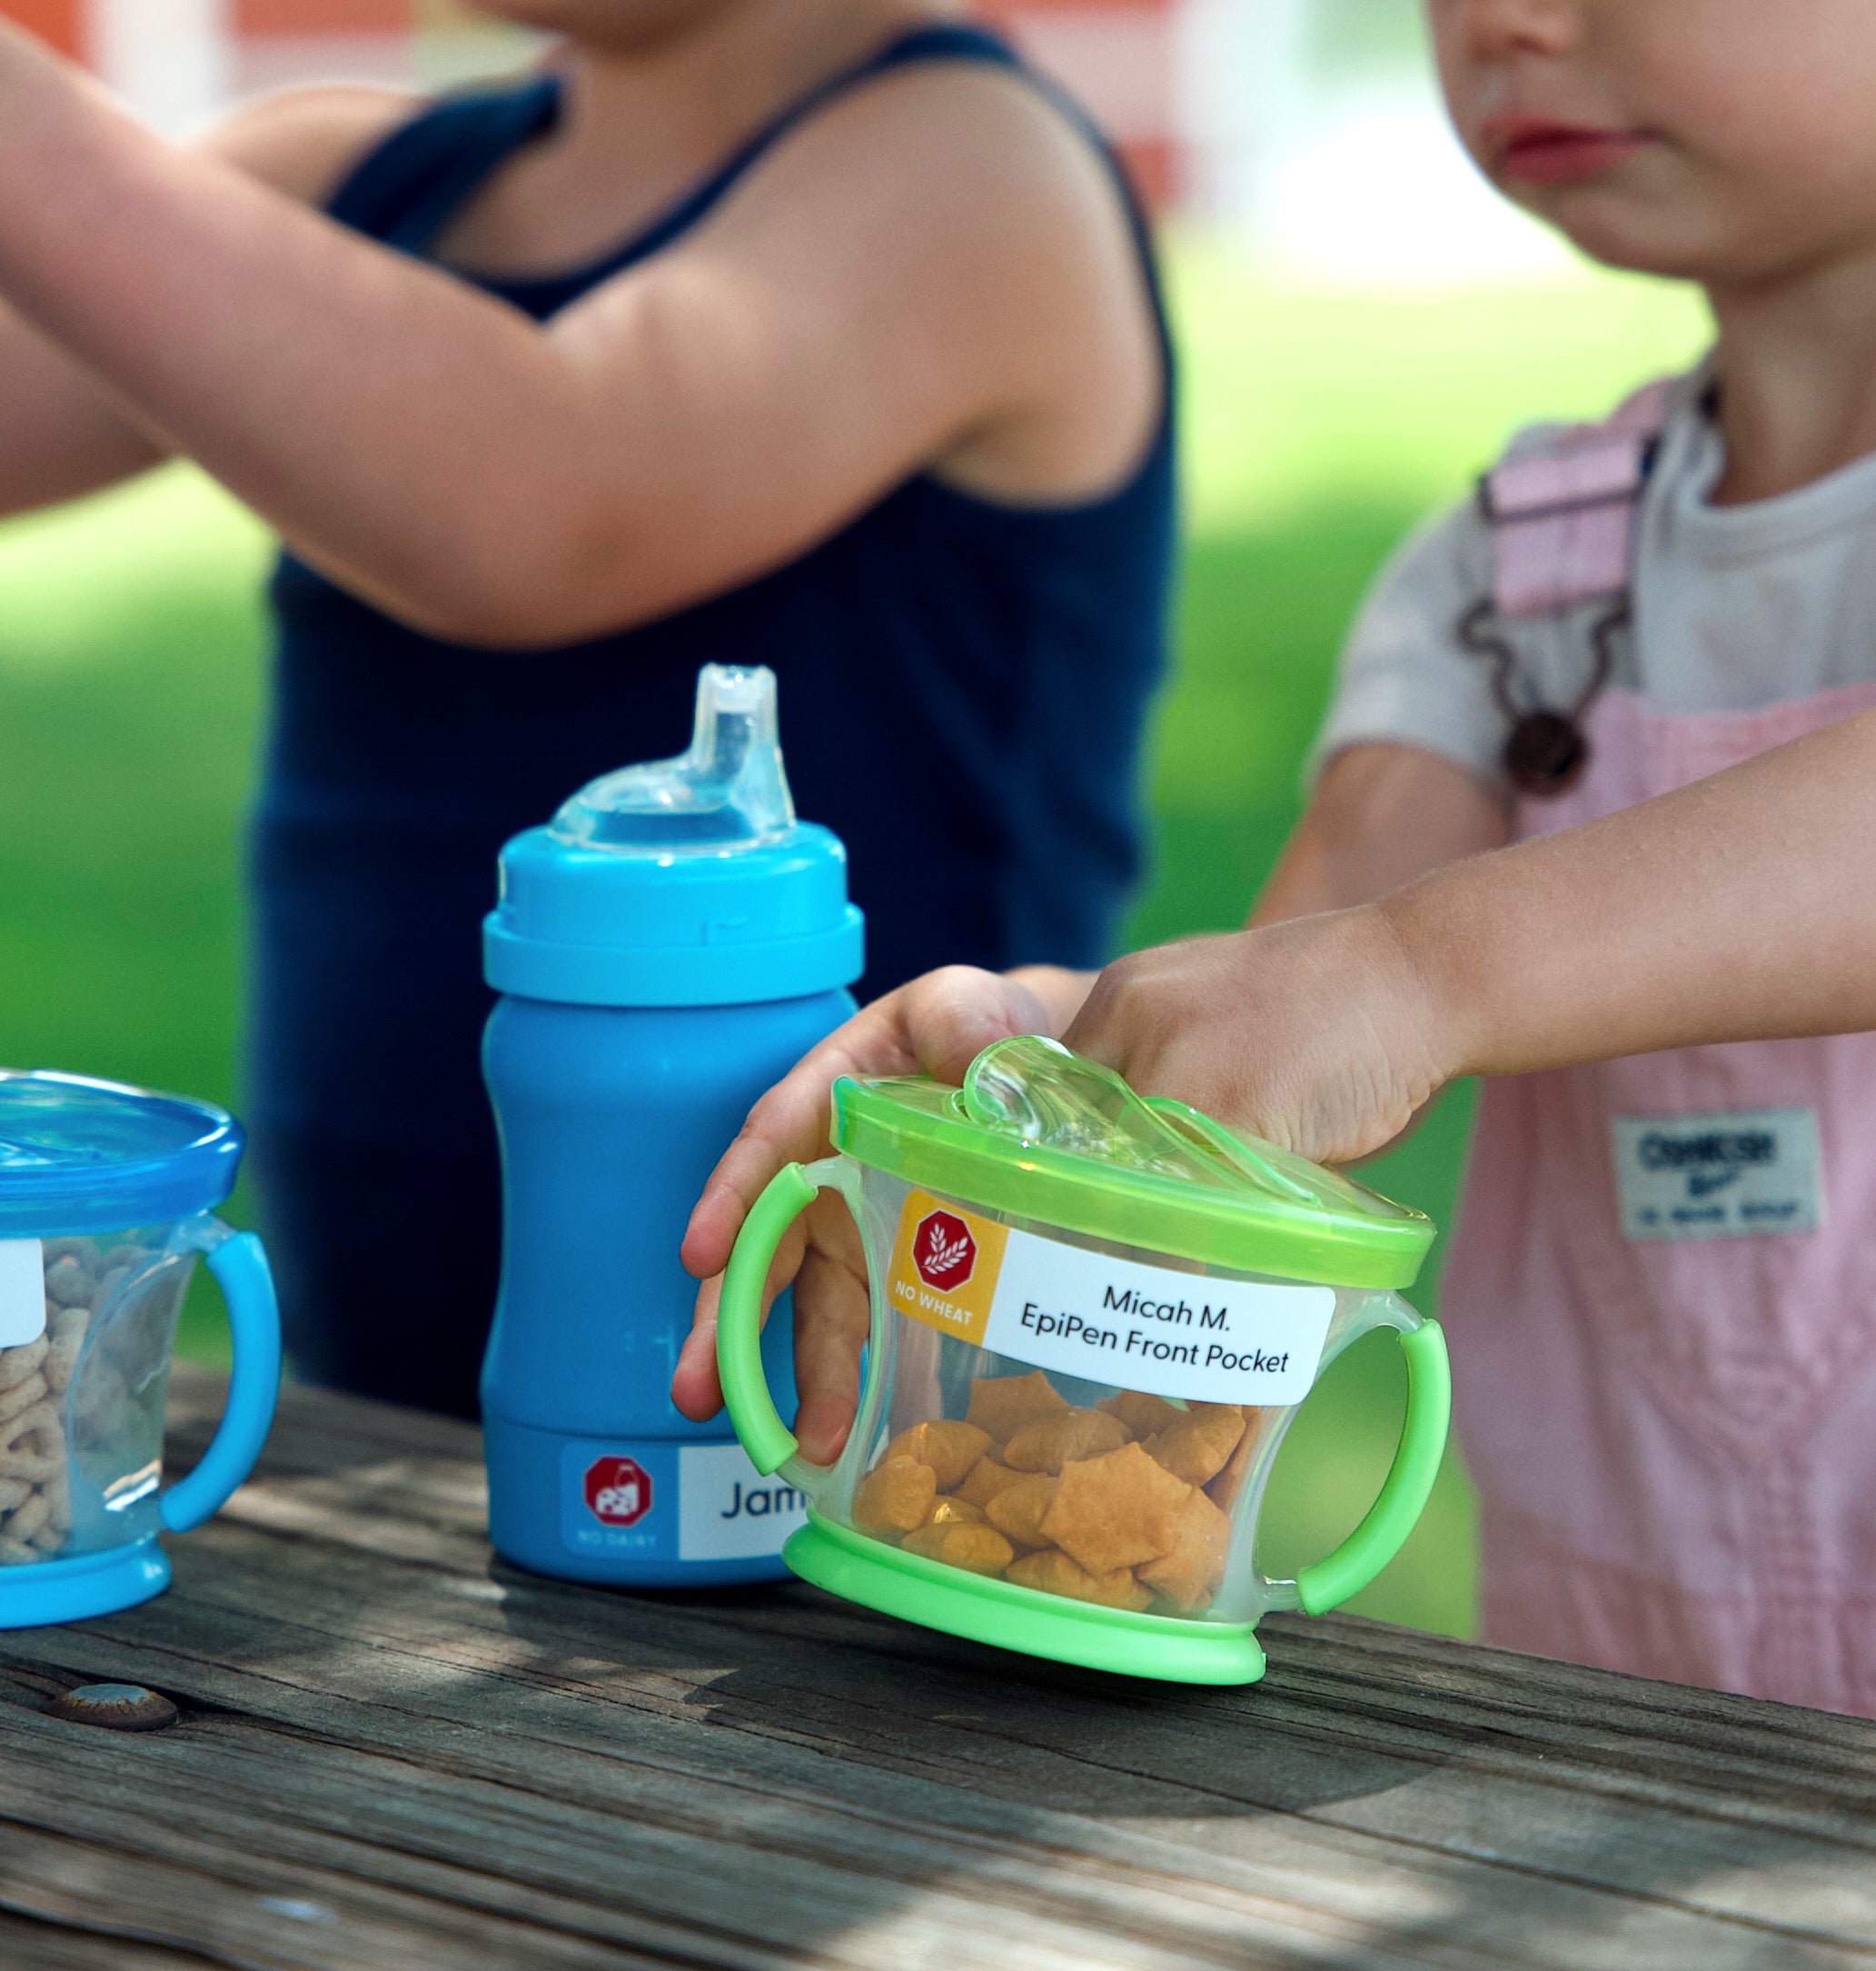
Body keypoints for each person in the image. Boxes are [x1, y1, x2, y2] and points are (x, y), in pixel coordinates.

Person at [680, 0, 1876, 1715]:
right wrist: (1048, 1071)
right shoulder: (1521, 576)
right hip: (1613, 1716)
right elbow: (1303, 994)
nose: (1509, 22)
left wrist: (1422, 969)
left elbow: (1388, 967)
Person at [0, 0, 1173, 1413]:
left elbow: (537, 496)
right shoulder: (358, 181)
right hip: (384, 1402)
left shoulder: (970, 173)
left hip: (849, 1406)